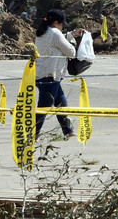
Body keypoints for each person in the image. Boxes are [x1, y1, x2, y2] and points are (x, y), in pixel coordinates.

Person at [34, 9, 83, 138]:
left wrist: (72, 34)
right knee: (43, 108)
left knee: (61, 102)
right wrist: (74, 42)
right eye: (62, 25)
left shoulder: (43, 32)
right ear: (56, 23)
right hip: (50, 76)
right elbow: (71, 52)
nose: (62, 27)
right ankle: (32, 134)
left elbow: (57, 42)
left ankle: (68, 130)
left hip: (44, 74)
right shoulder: (55, 33)